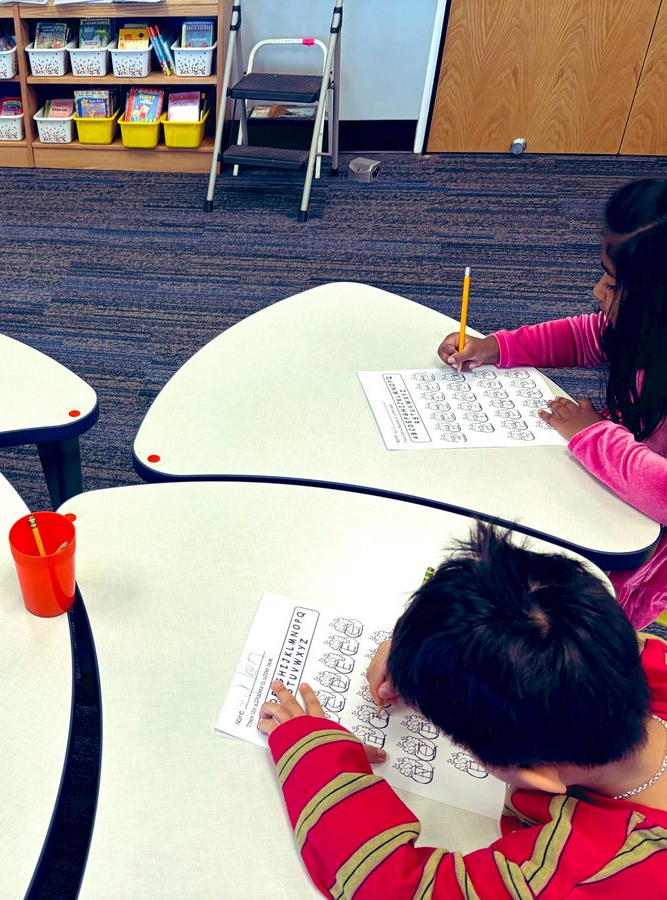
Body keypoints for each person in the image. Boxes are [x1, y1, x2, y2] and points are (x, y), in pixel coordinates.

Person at [259, 524, 667, 897]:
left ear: (535, 777)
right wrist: (418, 653)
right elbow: (534, 624)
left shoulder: (591, 870)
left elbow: (396, 887)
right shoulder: (643, 660)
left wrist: (315, 755)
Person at [438, 178, 667, 629]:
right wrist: (497, 347)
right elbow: (584, 336)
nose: (597, 292)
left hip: (636, 554)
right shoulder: (641, 328)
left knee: (566, 631)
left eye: (612, 283)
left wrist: (593, 435)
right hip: (605, 488)